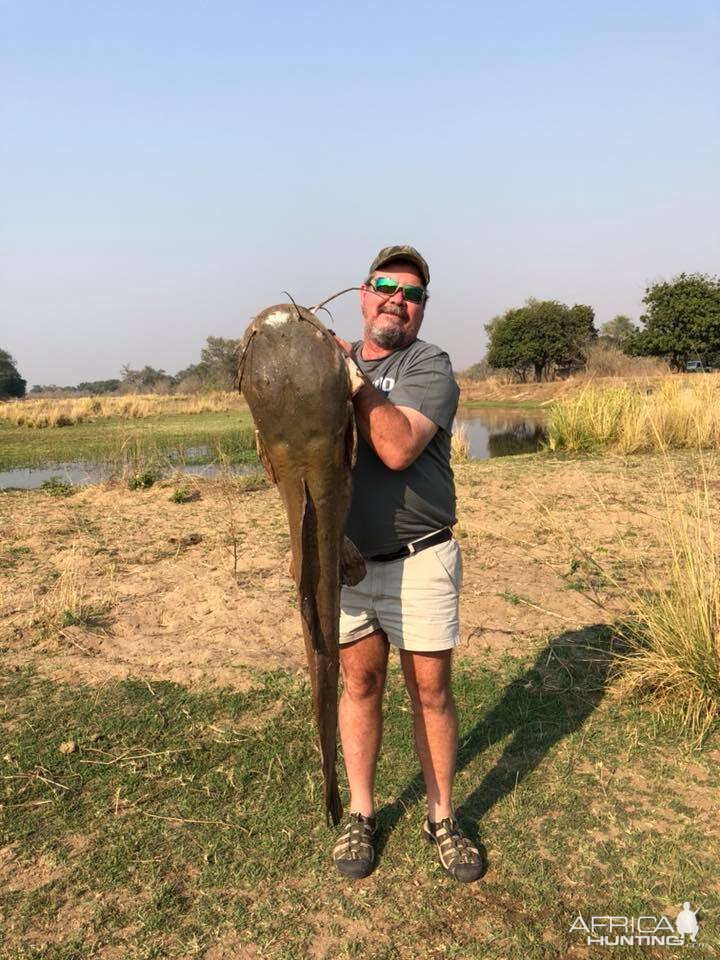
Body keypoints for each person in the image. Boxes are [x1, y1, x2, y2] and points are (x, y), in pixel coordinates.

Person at [331, 245, 483, 883]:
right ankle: (361, 815)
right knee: (359, 684)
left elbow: (394, 447)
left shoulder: (429, 364)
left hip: (421, 558)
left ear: (422, 308)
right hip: (347, 561)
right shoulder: (328, 366)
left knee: (430, 691)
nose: (398, 299)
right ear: (362, 294)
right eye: (385, 286)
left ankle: (442, 817)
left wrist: (350, 380)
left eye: (412, 293)